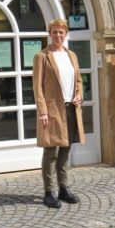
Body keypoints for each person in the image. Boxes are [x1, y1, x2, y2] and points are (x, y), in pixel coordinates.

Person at [33, 18, 85, 208]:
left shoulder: (72, 55)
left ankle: (63, 188)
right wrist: (43, 111)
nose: (58, 35)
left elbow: (79, 80)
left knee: (65, 150)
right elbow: (37, 87)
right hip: (53, 110)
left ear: (66, 34)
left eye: (61, 32)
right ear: (50, 33)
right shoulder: (42, 56)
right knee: (50, 152)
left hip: (71, 108)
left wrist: (79, 94)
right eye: (54, 32)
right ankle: (49, 191)